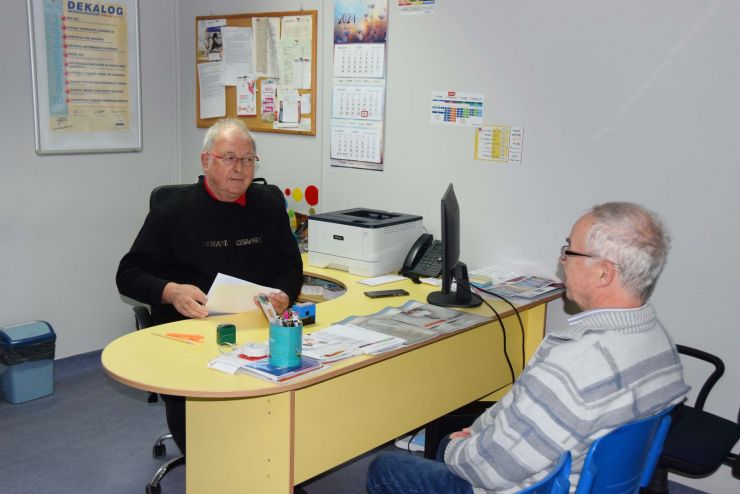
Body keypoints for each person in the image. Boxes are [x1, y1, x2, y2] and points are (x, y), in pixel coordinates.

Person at [366, 202, 689, 493]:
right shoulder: (660, 344)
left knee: (389, 467)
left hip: (531, 488)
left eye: (570, 252)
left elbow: (492, 472)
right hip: (592, 482)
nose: (563, 262)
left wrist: (459, 448)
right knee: (454, 442)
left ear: (604, 273)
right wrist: (478, 436)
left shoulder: (571, 366)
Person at [116, 118, 303, 456]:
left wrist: (283, 295)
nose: (240, 168)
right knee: (208, 442)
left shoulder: (269, 205)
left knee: (281, 413)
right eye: (229, 158)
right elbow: (128, 273)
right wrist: (171, 291)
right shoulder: (171, 212)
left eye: (248, 160)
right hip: (190, 334)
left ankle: (271, 469)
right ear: (206, 161)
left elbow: (290, 267)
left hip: (254, 329)